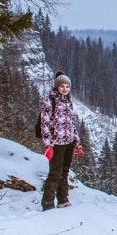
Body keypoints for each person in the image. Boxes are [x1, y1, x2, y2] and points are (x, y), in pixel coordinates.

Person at [40, 70, 85, 211]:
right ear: (56, 86)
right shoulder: (49, 101)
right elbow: (45, 124)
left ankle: (63, 200)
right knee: (55, 173)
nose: (65, 89)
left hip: (69, 142)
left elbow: (71, 124)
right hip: (56, 144)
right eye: (62, 86)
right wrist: (48, 145)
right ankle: (47, 204)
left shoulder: (68, 102)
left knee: (65, 173)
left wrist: (77, 143)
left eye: (67, 86)